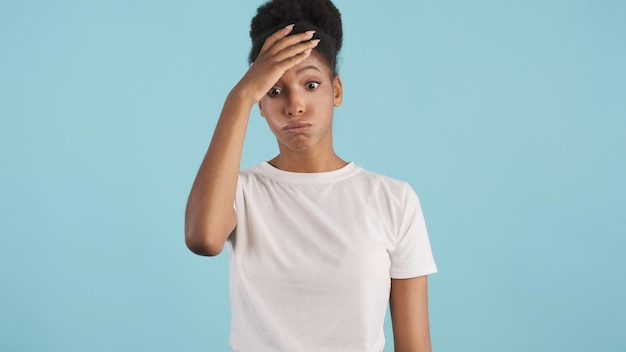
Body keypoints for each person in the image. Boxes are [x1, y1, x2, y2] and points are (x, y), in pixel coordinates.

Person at [185, 0, 437, 350]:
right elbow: (204, 239)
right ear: (259, 103)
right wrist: (239, 96)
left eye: (311, 85)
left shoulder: (393, 199)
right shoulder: (240, 192)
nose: (294, 105)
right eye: (273, 90)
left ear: (337, 90)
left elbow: (414, 345)